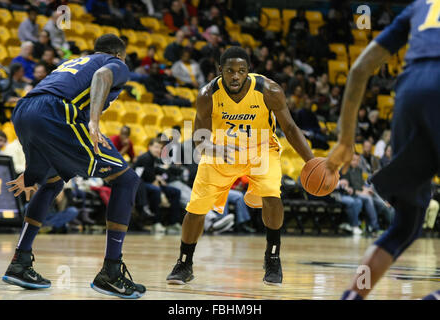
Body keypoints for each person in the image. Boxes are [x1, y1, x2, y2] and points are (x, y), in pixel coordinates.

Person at [2, 34, 146, 299]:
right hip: (56, 112)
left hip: (25, 109)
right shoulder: (114, 63)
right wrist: (93, 121)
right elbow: (103, 76)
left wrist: (33, 173)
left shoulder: (77, 61)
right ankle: (110, 272)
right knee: (126, 181)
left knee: (52, 180)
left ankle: (20, 261)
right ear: (119, 55)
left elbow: (43, 103)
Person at [166, 46, 314, 286]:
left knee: (272, 196)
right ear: (220, 71)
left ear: (248, 71)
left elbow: (290, 128)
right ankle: (184, 262)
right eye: (230, 71)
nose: (235, 76)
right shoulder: (207, 94)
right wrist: (213, 149)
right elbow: (199, 138)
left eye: (241, 71)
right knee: (196, 209)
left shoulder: (270, 90)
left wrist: (312, 161)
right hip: (221, 152)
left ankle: (273, 257)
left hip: (261, 150)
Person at [326, 0, 440, 300]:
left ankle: (353, 295)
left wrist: (345, 140)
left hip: (410, 92)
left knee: (404, 226)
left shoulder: (420, 6)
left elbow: (360, 67)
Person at [133, 138, 182, 235]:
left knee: (176, 192)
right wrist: (157, 181)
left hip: (151, 184)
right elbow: (137, 177)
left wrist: (159, 178)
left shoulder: (155, 159)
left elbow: (156, 173)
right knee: (156, 190)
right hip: (140, 186)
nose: (158, 150)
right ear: (149, 147)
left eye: (160, 148)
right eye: (156, 147)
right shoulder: (144, 158)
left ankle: (173, 222)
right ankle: (156, 222)